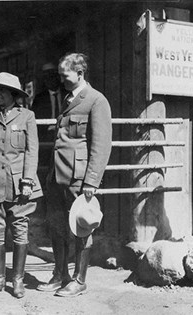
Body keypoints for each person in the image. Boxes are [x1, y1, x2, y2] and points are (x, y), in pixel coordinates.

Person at [36, 53, 112, 297]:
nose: (60, 79)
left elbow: (101, 144)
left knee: (81, 227)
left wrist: (92, 180)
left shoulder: (95, 100)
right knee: (57, 226)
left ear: (79, 73)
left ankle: (79, 280)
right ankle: (60, 275)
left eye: (64, 75)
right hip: (57, 175)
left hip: (79, 177)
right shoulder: (68, 97)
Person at [0, 72, 43, 299]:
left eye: (1, 91)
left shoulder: (27, 117)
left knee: (20, 231)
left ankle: (18, 280)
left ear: (13, 94)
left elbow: (32, 151)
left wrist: (28, 181)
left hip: (20, 184)